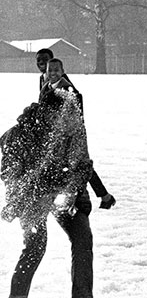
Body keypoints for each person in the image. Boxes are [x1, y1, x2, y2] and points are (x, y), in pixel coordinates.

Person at [0, 91, 115, 298]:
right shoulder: (20, 133)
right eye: (65, 113)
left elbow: (84, 165)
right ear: (48, 111)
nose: (70, 118)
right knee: (35, 245)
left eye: (73, 113)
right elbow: (10, 170)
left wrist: (75, 192)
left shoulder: (73, 131)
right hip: (32, 193)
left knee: (83, 238)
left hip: (64, 192)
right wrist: (15, 199)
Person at [35, 50, 115, 211]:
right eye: (39, 60)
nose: (42, 63)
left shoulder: (65, 85)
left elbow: (75, 103)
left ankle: (89, 199)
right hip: (55, 132)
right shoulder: (43, 80)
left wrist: (72, 129)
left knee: (79, 164)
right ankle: (103, 196)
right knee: (75, 164)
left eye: (46, 60)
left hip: (71, 132)